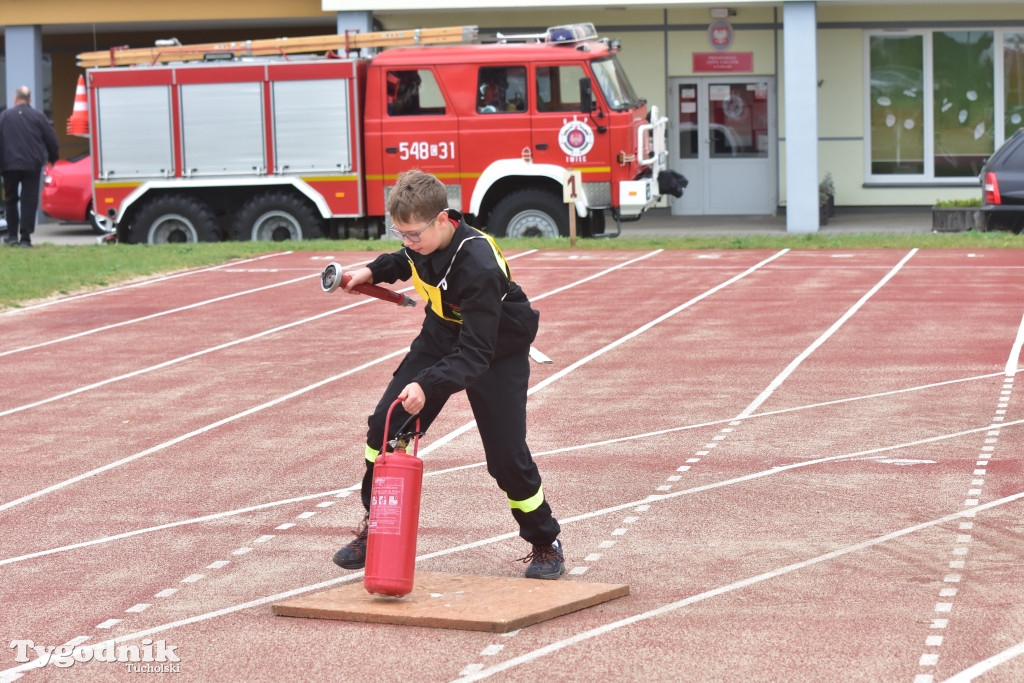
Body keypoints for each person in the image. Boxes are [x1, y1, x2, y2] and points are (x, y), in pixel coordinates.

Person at [331, 169, 565, 580]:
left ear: (443, 219)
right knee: (383, 429)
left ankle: (545, 541)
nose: (407, 241)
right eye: (398, 232)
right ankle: (376, 527)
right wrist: (372, 271)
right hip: (442, 333)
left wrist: (427, 384)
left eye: (413, 233)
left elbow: (475, 354)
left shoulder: (478, 265)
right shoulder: (422, 239)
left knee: (507, 458)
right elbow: (407, 259)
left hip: (495, 349)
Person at [0, 86, 60, 248]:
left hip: (9, 165)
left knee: (11, 199)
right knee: (29, 200)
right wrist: (53, 157)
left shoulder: (4, 116)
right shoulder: (38, 117)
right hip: (31, 165)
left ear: (15, 99)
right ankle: (25, 238)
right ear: (30, 99)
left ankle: (12, 235)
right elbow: (51, 138)